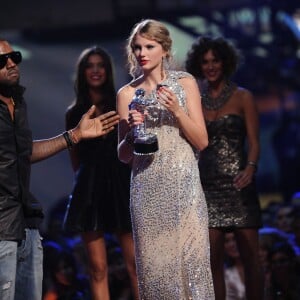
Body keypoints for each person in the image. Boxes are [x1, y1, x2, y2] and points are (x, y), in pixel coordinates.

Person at [0, 38, 119, 300]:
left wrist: (73, 136)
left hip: (26, 223)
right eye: (1, 61)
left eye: (14, 57)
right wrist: (74, 137)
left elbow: (23, 152)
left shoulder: (17, 104)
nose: (10, 64)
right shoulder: (67, 110)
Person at [117, 19, 214, 299]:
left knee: (192, 267)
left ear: (164, 49)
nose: (142, 53)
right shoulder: (126, 94)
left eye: (149, 46)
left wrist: (177, 111)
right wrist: (132, 134)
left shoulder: (184, 83)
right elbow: (123, 156)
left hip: (184, 185)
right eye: (137, 47)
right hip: (147, 187)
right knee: (155, 269)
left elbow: (202, 141)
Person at [185, 36, 263, 300]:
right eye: (205, 61)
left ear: (225, 62)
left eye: (215, 60)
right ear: (198, 64)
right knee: (212, 262)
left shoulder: (243, 97)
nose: (210, 66)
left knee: (252, 258)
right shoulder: (195, 99)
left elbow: (254, 142)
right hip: (207, 187)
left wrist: (251, 167)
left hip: (239, 184)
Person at [63, 46, 138, 300]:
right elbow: (76, 162)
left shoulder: (120, 104)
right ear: (83, 72)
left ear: (107, 70)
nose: (95, 70)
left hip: (120, 184)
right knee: (97, 268)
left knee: (135, 266)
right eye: (90, 66)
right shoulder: (74, 113)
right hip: (89, 189)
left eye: (100, 65)